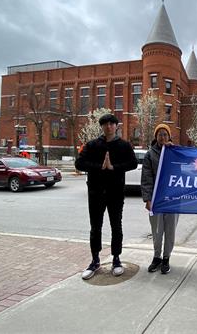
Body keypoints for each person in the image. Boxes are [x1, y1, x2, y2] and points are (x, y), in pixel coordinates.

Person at [75, 114, 138, 280]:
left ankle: (116, 259)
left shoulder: (124, 145)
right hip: (95, 192)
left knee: (116, 225)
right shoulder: (92, 145)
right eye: (105, 124)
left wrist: (113, 167)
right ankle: (95, 260)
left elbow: (133, 163)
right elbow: (79, 163)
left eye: (112, 124)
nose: (108, 126)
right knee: (95, 227)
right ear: (101, 127)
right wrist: (100, 167)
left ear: (116, 126)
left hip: (115, 192)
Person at [141, 124, 178, 274]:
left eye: (165, 134)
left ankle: (166, 258)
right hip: (156, 199)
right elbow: (146, 179)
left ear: (169, 136)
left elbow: (181, 174)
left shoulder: (175, 153)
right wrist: (147, 199)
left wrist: (172, 151)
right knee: (157, 231)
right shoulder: (150, 155)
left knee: (170, 230)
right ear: (156, 137)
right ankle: (156, 257)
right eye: (160, 134)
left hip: (173, 199)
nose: (162, 137)